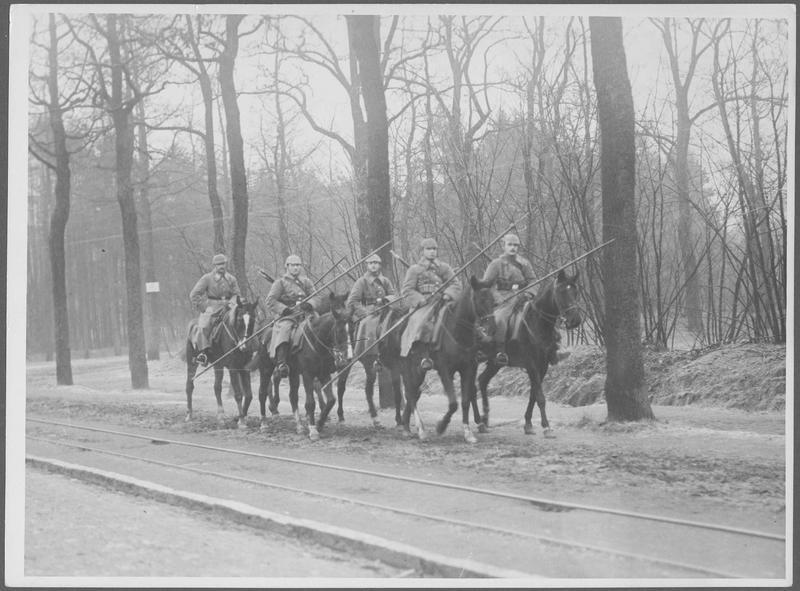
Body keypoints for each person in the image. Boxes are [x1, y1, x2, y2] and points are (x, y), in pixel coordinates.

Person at [400, 238, 461, 370]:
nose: (432, 252)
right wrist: (419, 299)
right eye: (428, 249)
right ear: (422, 251)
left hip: (443, 301)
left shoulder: (444, 268)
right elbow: (407, 290)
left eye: (434, 249)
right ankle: (425, 355)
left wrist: (448, 294)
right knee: (422, 322)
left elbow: (455, 284)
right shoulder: (414, 270)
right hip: (424, 304)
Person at [479, 234, 536, 366]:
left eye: (515, 245)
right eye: (509, 245)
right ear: (503, 246)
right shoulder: (495, 264)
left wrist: (528, 293)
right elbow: (486, 285)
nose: (513, 248)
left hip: (523, 297)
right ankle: (499, 351)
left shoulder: (524, 263)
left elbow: (533, 281)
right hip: (503, 299)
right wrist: (497, 297)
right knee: (499, 320)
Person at [265, 254, 318, 378]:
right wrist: (283, 309)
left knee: (321, 324)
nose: (296, 268)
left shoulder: (306, 281)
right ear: (287, 266)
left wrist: (310, 304)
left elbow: (316, 297)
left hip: (306, 314)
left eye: (298, 265)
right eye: (293, 265)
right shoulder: (280, 282)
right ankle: (282, 362)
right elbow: (270, 300)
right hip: (288, 315)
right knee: (284, 329)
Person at [346, 253, 397, 370]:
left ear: (379, 265)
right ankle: (373, 355)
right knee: (368, 324)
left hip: (386, 309)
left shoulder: (385, 281)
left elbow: (393, 295)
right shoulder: (361, 281)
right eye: (371, 263)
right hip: (370, 312)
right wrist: (365, 312)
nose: (374, 266)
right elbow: (352, 301)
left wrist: (386, 299)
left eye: (376, 263)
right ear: (367, 265)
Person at [189, 253, 241, 366]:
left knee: (243, 321)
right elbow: (194, 294)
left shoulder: (231, 279)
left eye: (223, 263)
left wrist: (232, 303)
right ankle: (204, 353)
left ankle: (247, 347)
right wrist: (203, 307)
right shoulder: (207, 278)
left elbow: (237, 294)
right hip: (212, 308)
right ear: (215, 265)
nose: (221, 266)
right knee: (203, 326)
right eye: (219, 264)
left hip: (229, 307)